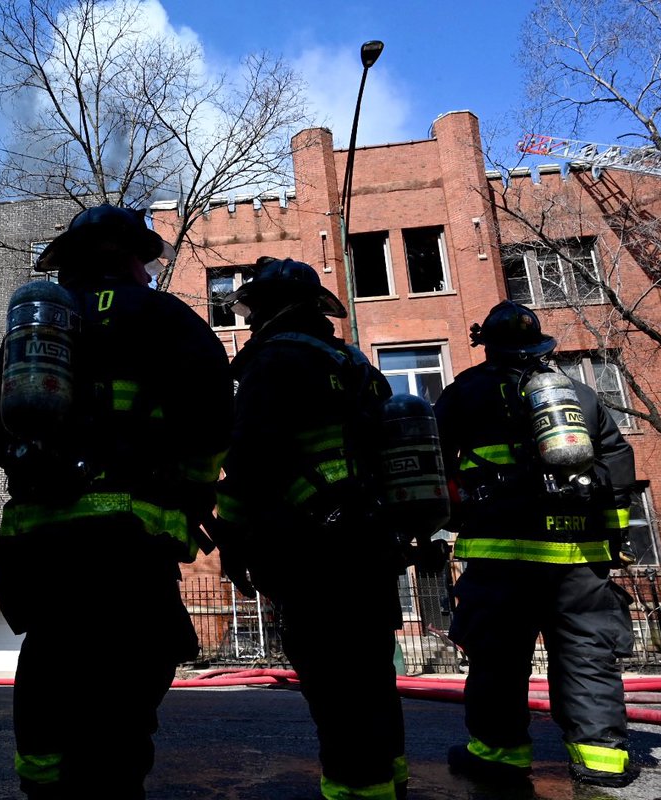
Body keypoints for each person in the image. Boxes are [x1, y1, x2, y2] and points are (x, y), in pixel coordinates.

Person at [0, 204, 233, 798]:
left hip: (38, 545)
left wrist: (29, 462)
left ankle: (45, 783)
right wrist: (186, 490)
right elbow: (215, 418)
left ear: (71, 263)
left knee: (51, 660)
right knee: (124, 682)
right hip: (126, 545)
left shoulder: (38, 326)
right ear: (135, 259)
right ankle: (107, 788)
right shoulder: (168, 317)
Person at [212, 257, 409, 800]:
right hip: (372, 539)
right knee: (371, 670)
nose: (250, 322)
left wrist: (233, 536)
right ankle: (388, 775)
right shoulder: (355, 365)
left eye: (255, 309)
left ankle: (357, 786)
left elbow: (249, 457)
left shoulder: (272, 361)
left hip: (312, 546)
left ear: (272, 309)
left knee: (332, 676)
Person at [435, 300, 637, 789]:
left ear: (490, 347)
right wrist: (612, 538)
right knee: (588, 655)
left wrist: (450, 516)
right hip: (580, 561)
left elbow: (434, 464)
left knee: (499, 660)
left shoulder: (466, 394)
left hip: (501, 557)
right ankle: (602, 760)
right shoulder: (582, 396)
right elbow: (619, 468)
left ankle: (499, 755)